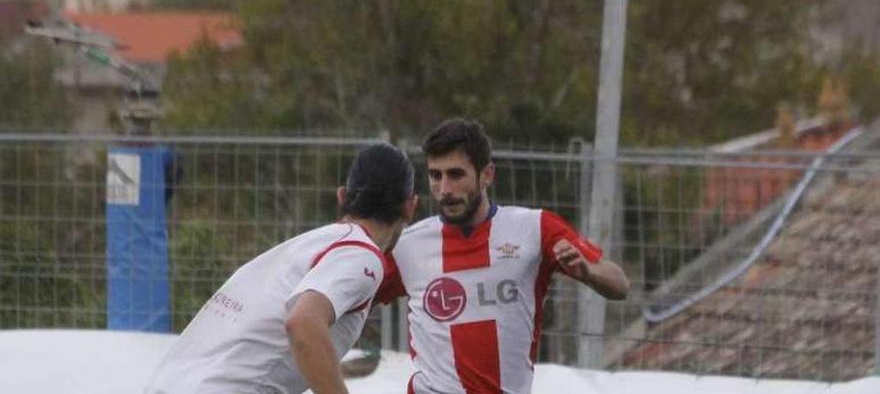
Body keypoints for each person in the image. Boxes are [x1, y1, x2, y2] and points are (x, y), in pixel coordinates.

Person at [376, 118, 629, 394]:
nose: (445, 189)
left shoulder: (535, 228)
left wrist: (589, 273)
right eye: (436, 175)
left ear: (487, 174)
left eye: (456, 174)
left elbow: (619, 285)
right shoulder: (408, 245)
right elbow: (345, 298)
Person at [145, 143, 418, 394]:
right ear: (410, 207)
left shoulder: (299, 249)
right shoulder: (363, 255)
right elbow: (303, 323)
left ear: (342, 196)